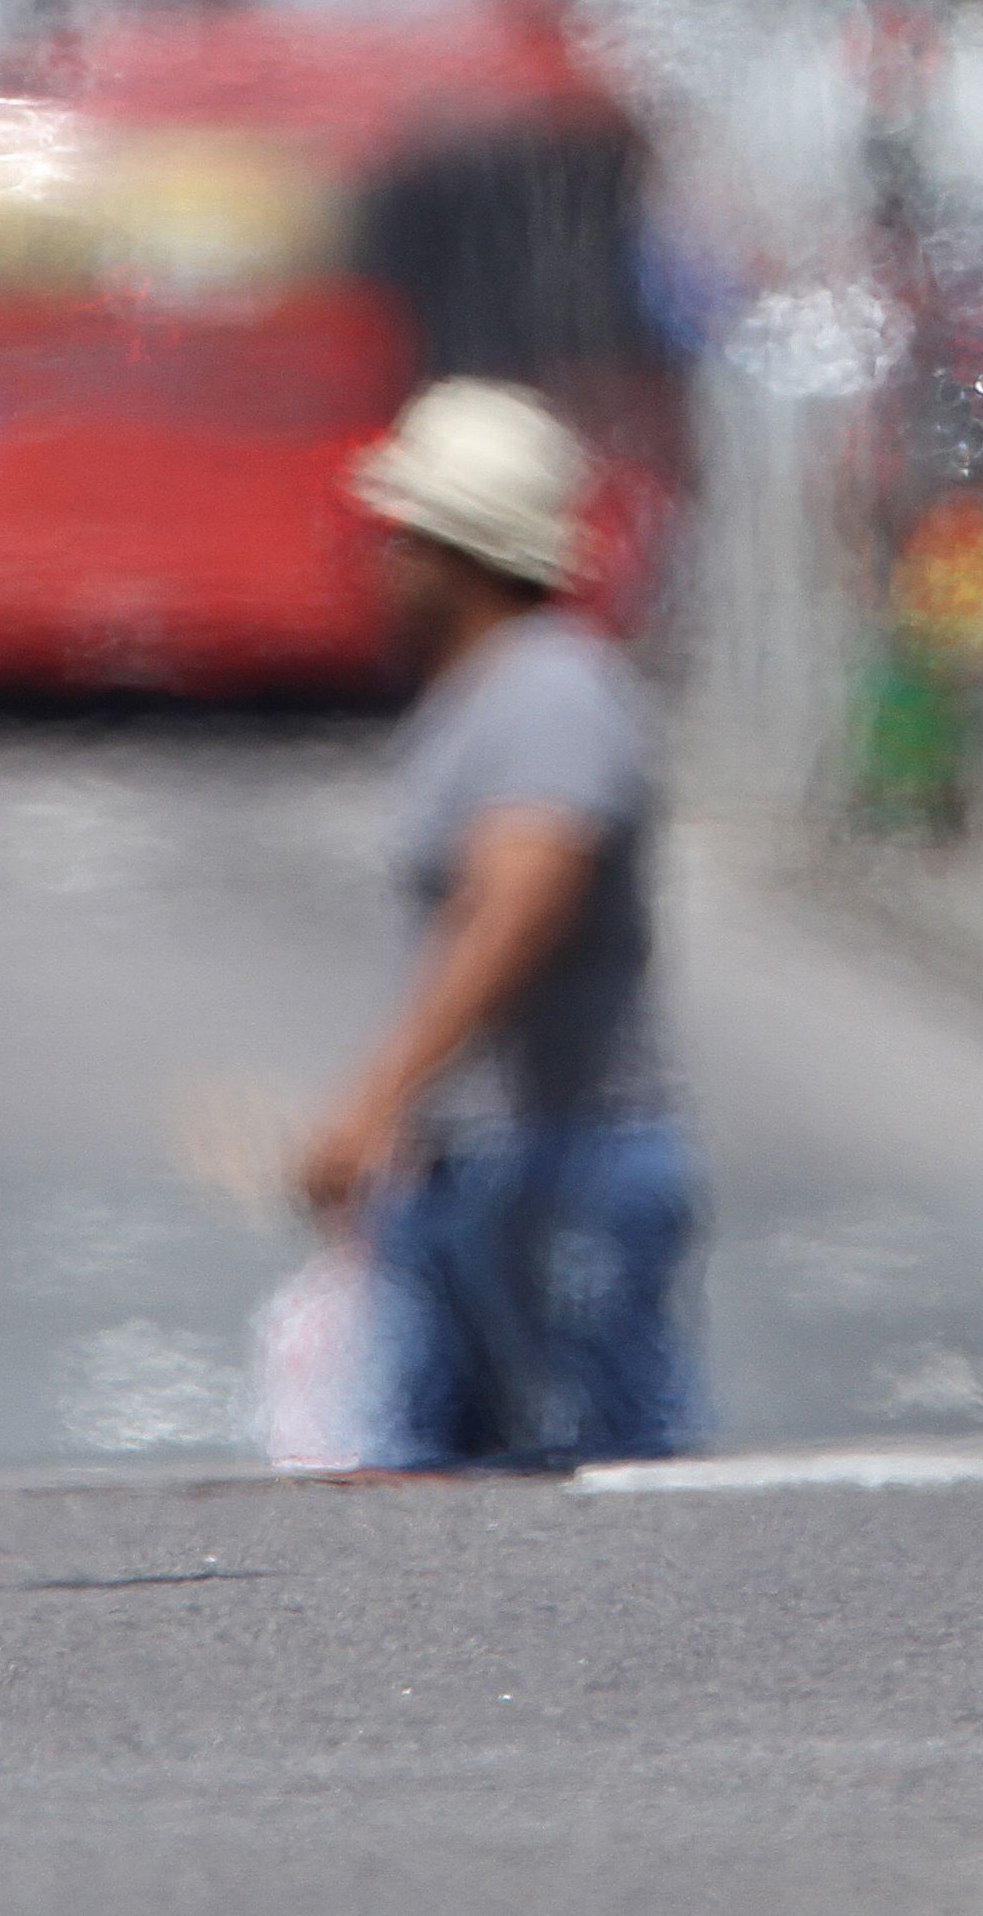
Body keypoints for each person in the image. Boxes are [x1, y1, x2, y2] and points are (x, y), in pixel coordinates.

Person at [296, 379, 697, 1472]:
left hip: (562, 1165)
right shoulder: (485, 694)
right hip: (482, 1161)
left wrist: (375, 1101)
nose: (383, 562)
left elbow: (520, 906)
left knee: (599, 1478)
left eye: (403, 538)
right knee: (440, 1478)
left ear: (458, 555)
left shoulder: (551, 690)